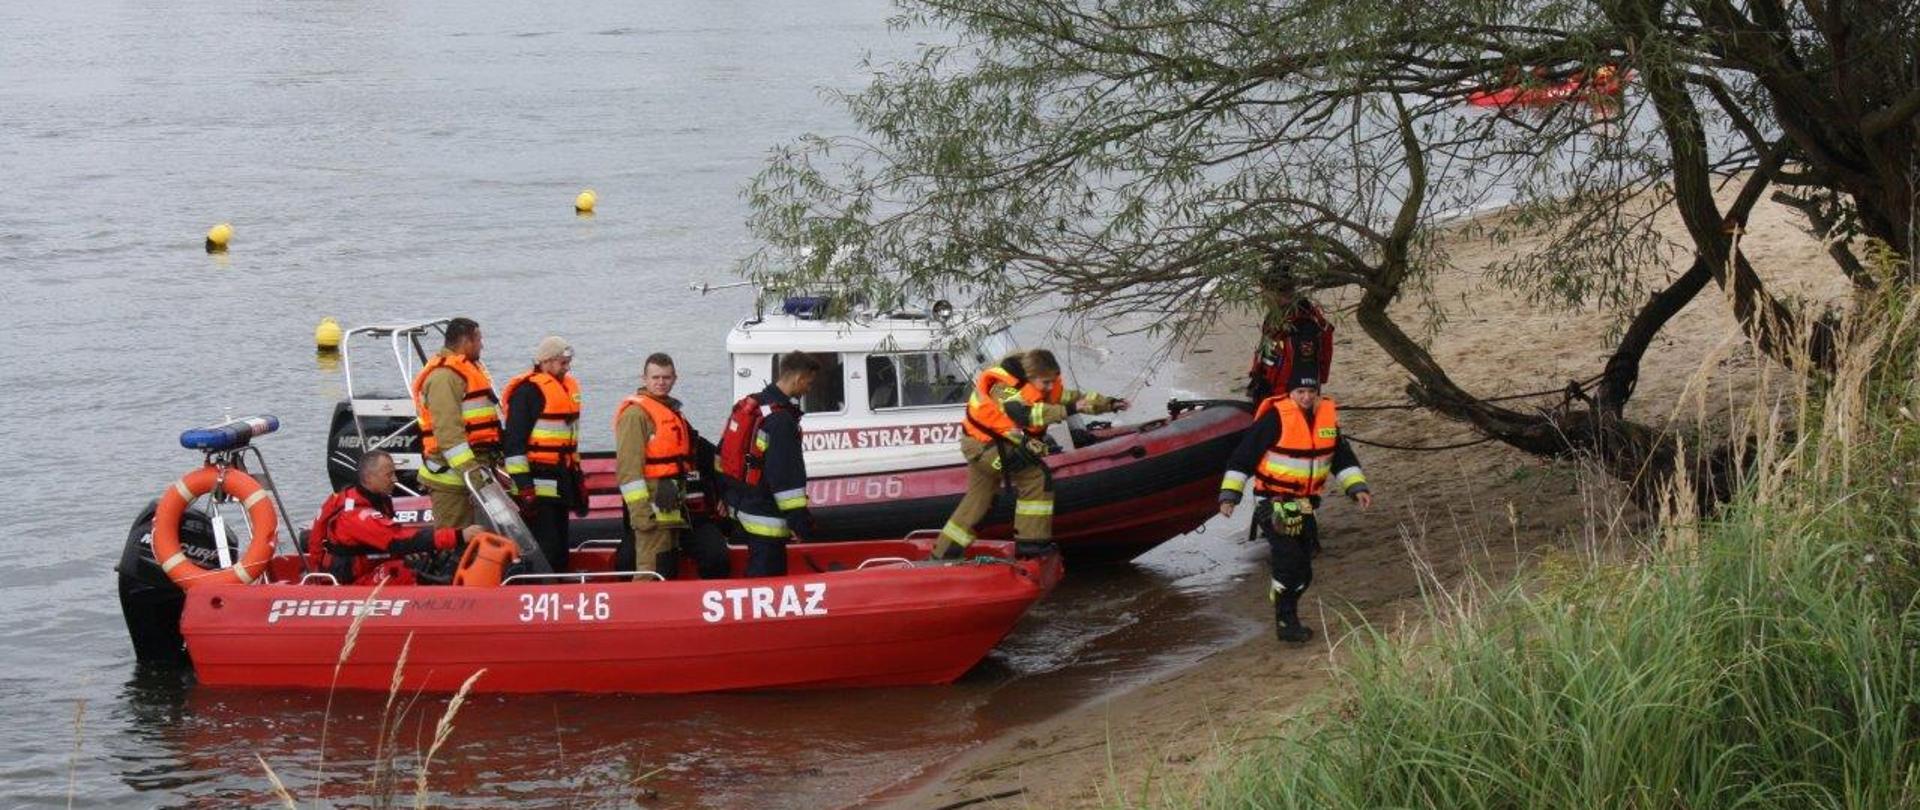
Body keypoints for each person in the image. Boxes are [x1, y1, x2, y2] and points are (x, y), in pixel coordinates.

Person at [1218, 370, 1374, 643]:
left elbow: (1342, 459)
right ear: (1289, 394)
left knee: (1304, 568)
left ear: (1317, 394)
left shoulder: (1326, 421)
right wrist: (1229, 496)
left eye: (1310, 392)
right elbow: (1241, 459)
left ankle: (1282, 591)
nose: (1305, 397)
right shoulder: (1274, 419)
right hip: (1274, 503)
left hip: (1304, 505)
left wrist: (1357, 488)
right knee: (1289, 562)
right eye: (1299, 392)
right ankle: (1286, 621)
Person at [932, 349, 1127, 560]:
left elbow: (1077, 398)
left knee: (979, 499)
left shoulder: (1041, 387)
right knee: (1036, 477)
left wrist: (1110, 404)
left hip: (990, 445)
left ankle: (944, 552)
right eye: (1046, 383)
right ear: (1030, 377)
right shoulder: (1002, 387)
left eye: (1053, 381)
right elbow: (1022, 414)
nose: (1051, 387)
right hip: (985, 447)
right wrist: (1067, 409)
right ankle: (1031, 542)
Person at [614, 353, 728, 579]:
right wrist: (641, 514)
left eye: (666, 377)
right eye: (655, 377)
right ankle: (645, 609)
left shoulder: (671, 412)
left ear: (675, 378)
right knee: (651, 569)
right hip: (651, 509)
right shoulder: (635, 415)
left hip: (670, 506)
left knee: (665, 566)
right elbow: (629, 470)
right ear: (644, 379)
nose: (661, 382)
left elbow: (698, 450)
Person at [308, 450, 484, 585]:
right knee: (403, 571)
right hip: (351, 582)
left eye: (394, 473)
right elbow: (398, 539)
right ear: (369, 478)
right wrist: (458, 535)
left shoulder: (373, 499)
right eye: (389, 475)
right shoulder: (356, 515)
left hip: (362, 568)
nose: (395, 480)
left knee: (425, 558)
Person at [717, 351, 820, 577]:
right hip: (766, 516)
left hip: (740, 506)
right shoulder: (781, 421)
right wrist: (800, 523)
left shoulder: (752, 406)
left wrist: (723, 493)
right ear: (798, 378)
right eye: (809, 383)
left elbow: (723, 452)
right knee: (766, 579)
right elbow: (786, 480)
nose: (809, 389)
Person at [500, 336, 586, 573]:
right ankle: (541, 587)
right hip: (536, 485)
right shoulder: (527, 392)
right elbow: (514, 445)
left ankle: (559, 585)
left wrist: (577, 479)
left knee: (560, 545)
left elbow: (568, 442)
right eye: (563, 362)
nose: (567, 368)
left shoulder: (565, 389)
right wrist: (525, 487)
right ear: (546, 361)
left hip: (561, 479)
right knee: (546, 546)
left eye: (568, 362)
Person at [410, 317, 504, 530]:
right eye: (479, 339)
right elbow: (449, 438)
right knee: (455, 546)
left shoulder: (463, 372)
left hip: (471, 473)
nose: (482, 344)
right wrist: (474, 476)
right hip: (452, 481)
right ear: (465, 341)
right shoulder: (445, 377)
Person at [1245, 269, 1334, 401]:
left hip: (1288, 401)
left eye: (1265, 293)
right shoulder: (1273, 318)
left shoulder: (1304, 326)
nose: (1263, 297)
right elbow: (1265, 356)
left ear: (1279, 293)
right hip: (1268, 392)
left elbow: (1305, 375)